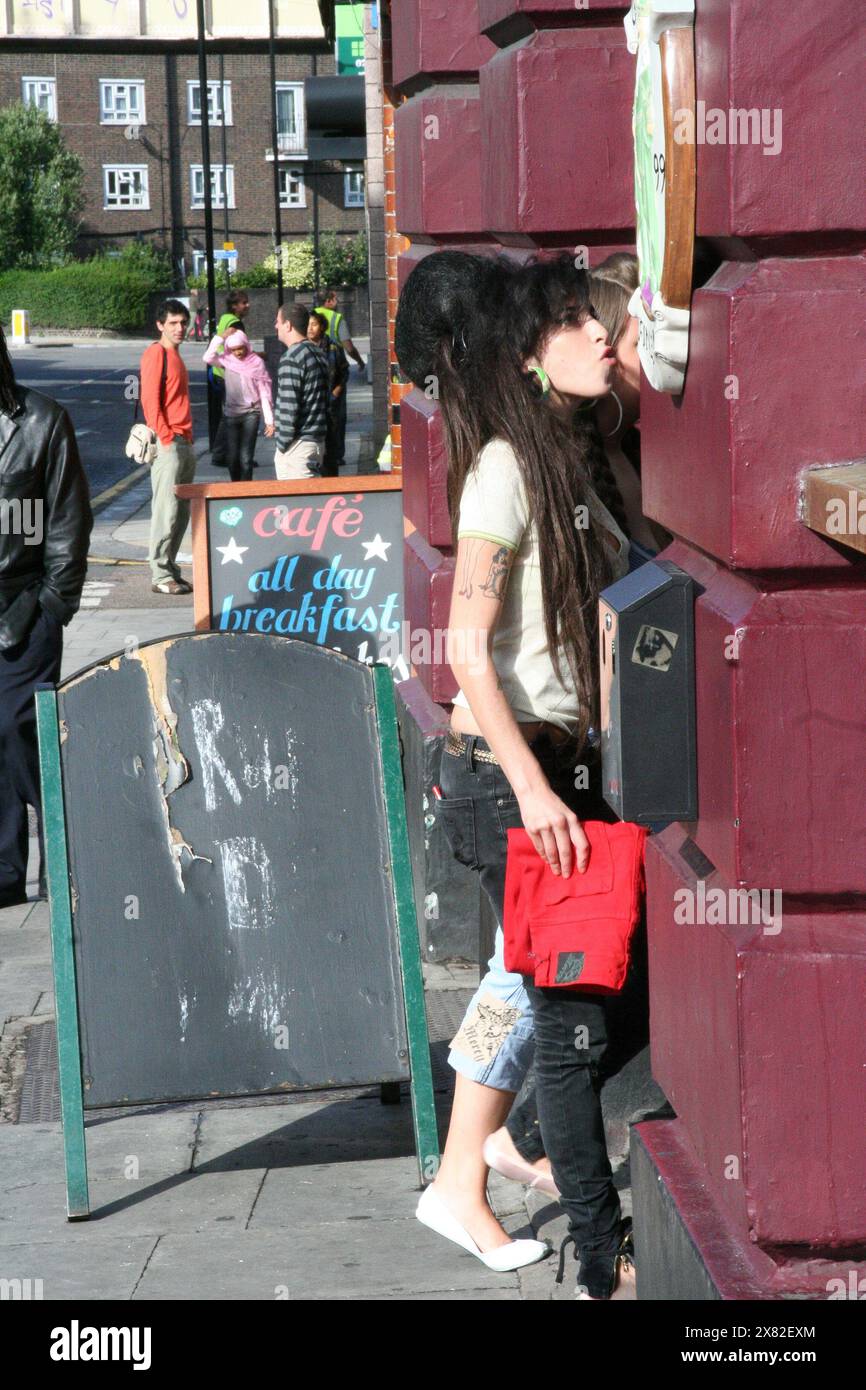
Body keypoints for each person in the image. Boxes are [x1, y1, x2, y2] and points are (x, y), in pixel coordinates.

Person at [395, 251, 635, 1299]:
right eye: (578, 323)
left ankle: (471, 1163)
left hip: (552, 765)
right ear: (528, 350)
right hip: (510, 774)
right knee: (564, 1014)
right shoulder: (502, 467)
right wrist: (534, 792)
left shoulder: (571, 448)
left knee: (527, 985)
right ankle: (598, 1251)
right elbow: (463, 648)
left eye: (602, 320)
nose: (599, 336)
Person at [0, 323, 92, 907]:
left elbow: (66, 520)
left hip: (23, 604)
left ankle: (73, 840)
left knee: (16, 728)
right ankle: (7, 875)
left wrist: (54, 605)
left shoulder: (41, 421)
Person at [141, 299, 196, 595]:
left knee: (181, 511)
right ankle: (160, 574)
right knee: (166, 510)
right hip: (169, 442)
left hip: (183, 441)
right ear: (160, 325)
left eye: (183, 322)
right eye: (173, 323)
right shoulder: (156, 353)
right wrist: (165, 438)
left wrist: (187, 439)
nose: (180, 328)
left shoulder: (176, 355)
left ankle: (171, 568)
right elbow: (150, 401)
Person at [202, 329, 274, 482]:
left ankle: (246, 490)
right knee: (232, 458)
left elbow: (264, 393)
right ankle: (236, 487)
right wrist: (220, 337)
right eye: (233, 349)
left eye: (240, 348)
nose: (238, 353)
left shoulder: (256, 363)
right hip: (231, 414)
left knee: (246, 458)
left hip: (251, 413)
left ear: (247, 345)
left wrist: (269, 421)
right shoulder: (226, 361)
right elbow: (207, 357)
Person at [273, 303, 330, 480]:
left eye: (278, 321)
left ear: (288, 325)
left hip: (297, 447)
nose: (275, 326)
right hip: (316, 441)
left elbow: (289, 408)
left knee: (297, 505)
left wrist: (282, 444)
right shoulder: (318, 352)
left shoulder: (292, 357)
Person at [314, 288, 365, 470]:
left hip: (316, 372)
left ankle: (321, 452)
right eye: (335, 298)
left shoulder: (310, 316)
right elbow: (348, 346)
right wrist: (359, 361)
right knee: (338, 416)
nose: (337, 301)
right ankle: (336, 454)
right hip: (334, 372)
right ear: (328, 301)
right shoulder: (337, 318)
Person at [210, 290, 250, 469]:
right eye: (243, 303)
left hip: (220, 373)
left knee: (228, 414)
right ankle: (228, 454)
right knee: (235, 415)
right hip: (230, 374)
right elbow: (240, 351)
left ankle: (222, 453)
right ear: (234, 306)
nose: (247, 305)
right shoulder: (235, 323)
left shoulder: (225, 318)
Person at [307, 310, 349, 477]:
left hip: (330, 403)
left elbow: (344, 371)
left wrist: (337, 391)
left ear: (322, 327)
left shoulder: (333, 347)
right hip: (311, 405)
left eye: (314, 324)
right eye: (308, 325)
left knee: (331, 443)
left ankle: (331, 477)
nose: (310, 328)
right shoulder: (302, 348)